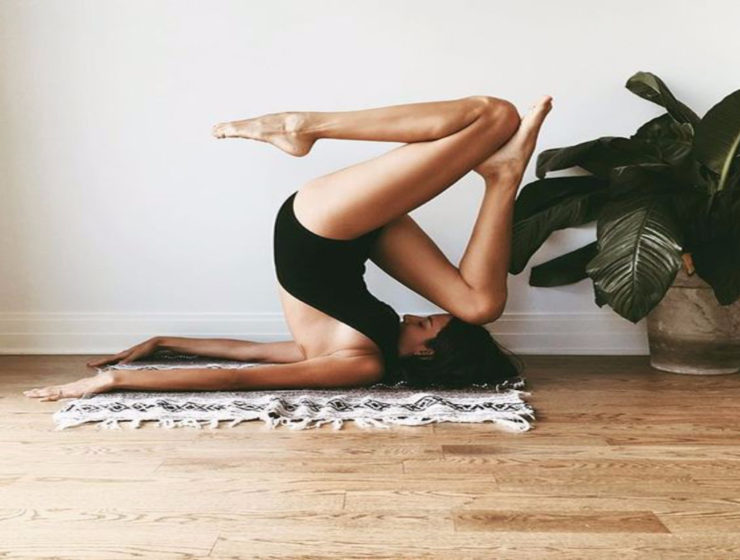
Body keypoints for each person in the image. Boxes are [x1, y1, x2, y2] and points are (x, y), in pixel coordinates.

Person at [24, 95, 552, 402]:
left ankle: (302, 125)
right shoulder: (362, 345)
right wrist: (162, 342)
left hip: (319, 228)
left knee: (494, 116)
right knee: (481, 304)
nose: (422, 315)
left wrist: (115, 381)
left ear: (427, 353)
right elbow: (247, 351)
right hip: (353, 235)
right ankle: (502, 176)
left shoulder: (359, 365)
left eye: (430, 325)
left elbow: (244, 376)